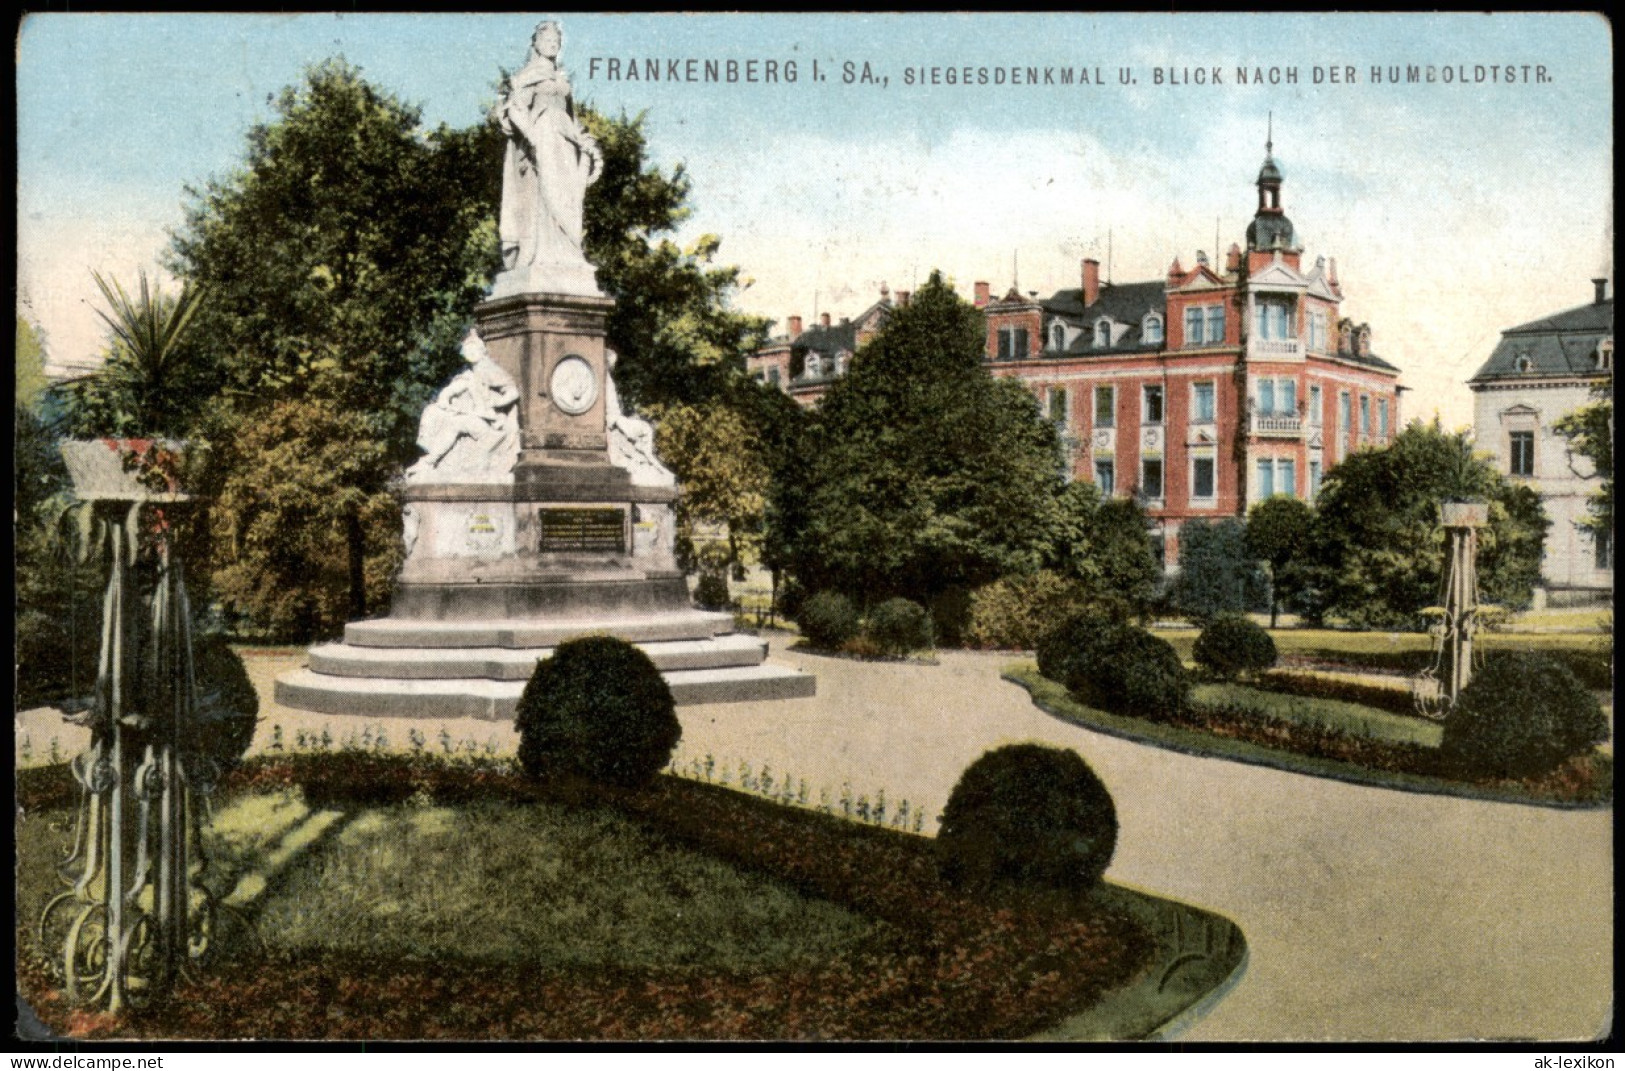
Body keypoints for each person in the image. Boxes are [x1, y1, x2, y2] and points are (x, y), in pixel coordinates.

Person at [498, 21, 602, 273]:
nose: (552, 44)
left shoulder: (562, 78)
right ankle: (541, 255)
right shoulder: (528, 75)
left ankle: (567, 254)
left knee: (567, 197)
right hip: (543, 138)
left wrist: (587, 144)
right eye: (547, 40)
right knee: (545, 194)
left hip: (565, 141)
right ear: (535, 44)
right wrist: (532, 136)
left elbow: (572, 117)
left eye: (556, 41)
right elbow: (515, 109)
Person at [406, 330, 520, 482]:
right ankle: (428, 460)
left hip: (490, 424)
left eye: (474, 349)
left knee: (457, 423)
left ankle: (429, 461)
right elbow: (454, 389)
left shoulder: (489, 369)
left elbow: (513, 392)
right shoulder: (470, 373)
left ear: (482, 351)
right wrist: (445, 398)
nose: (470, 353)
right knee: (434, 412)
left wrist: (495, 403)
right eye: (467, 350)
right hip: (476, 418)